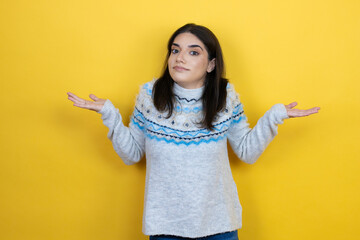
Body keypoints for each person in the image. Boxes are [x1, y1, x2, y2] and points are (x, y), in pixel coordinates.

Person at [67, 23, 320, 240]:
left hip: (220, 226)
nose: (180, 57)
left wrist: (274, 117)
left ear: (211, 64)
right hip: (166, 228)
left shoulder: (225, 97)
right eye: (175, 50)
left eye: (193, 52)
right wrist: (109, 114)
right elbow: (132, 154)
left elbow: (247, 152)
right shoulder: (149, 96)